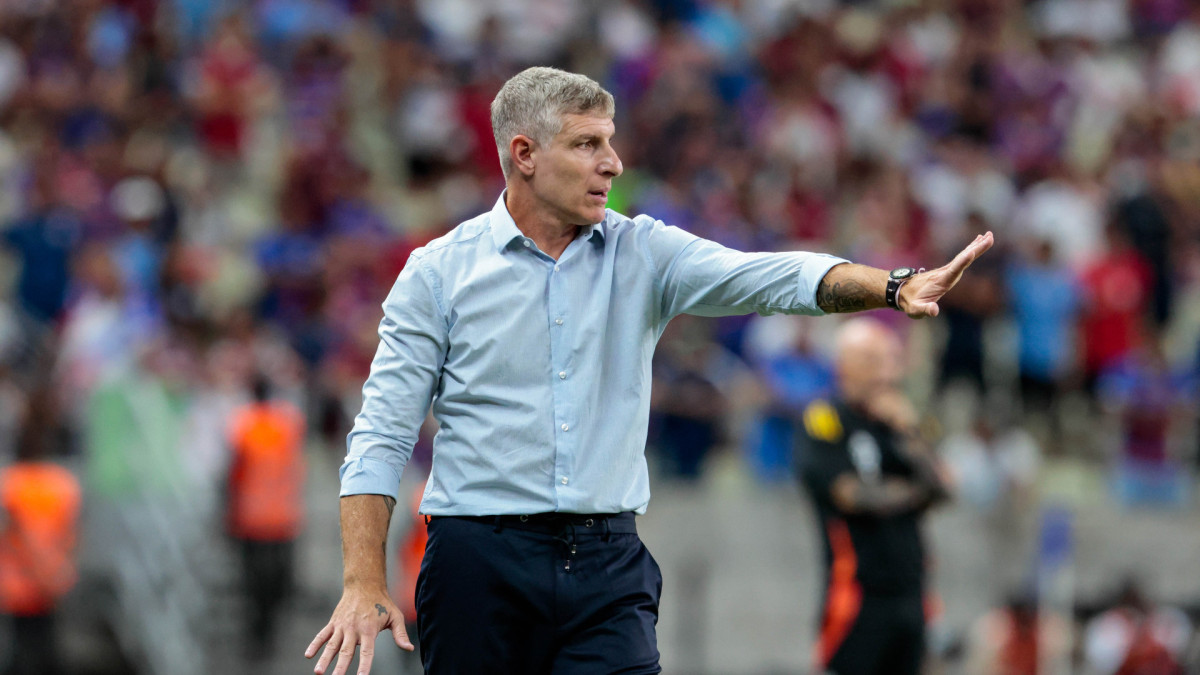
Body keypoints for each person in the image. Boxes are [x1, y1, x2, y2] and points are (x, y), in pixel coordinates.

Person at [306, 66, 993, 675]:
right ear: (525, 154)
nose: (612, 163)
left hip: (607, 560)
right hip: (478, 563)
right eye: (587, 144)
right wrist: (363, 580)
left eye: (609, 141)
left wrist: (893, 285)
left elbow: (770, 276)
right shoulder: (437, 273)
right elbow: (381, 435)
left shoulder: (644, 252)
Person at [797, 318, 953, 675]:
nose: (887, 372)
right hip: (857, 594)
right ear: (844, 366)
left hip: (913, 591)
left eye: (891, 360)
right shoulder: (825, 418)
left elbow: (944, 489)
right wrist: (916, 494)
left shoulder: (898, 424)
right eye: (873, 360)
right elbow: (850, 495)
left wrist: (910, 433)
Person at [0, 391, 83, 675]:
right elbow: (71, 536)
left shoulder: (13, 482)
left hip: (24, 582)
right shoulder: (61, 483)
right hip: (41, 582)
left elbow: (14, 534)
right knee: (40, 649)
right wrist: (56, 572)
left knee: (27, 652)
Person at [225, 375, 306, 657]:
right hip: (282, 514)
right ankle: (267, 631)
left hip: (252, 515)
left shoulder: (243, 423)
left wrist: (228, 511)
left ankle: (258, 634)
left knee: (253, 580)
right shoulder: (288, 422)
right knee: (275, 579)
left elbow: (234, 470)